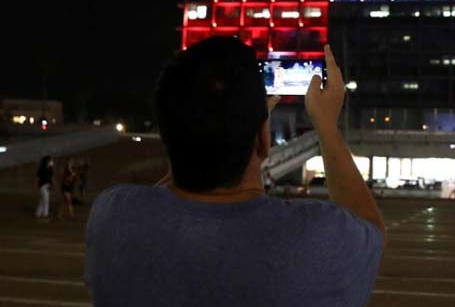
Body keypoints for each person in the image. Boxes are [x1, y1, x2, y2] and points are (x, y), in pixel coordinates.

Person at [84, 39, 384, 307]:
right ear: (263, 140)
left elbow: (171, 181)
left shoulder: (112, 217)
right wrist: (327, 127)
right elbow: (371, 229)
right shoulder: (317, 236)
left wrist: (210, 125)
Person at [35, 156, 54, 220]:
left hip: (47, 186)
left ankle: (38, 213)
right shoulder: (42, 169)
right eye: (50, 161)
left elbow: (51, 178)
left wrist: (52, 185)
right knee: (46, 200)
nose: (52, 162)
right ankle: (45, 214)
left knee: (42, 200)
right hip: (42, 186)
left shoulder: (50, 169)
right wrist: (37, 186)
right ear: (47, 161)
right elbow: (37, 178)